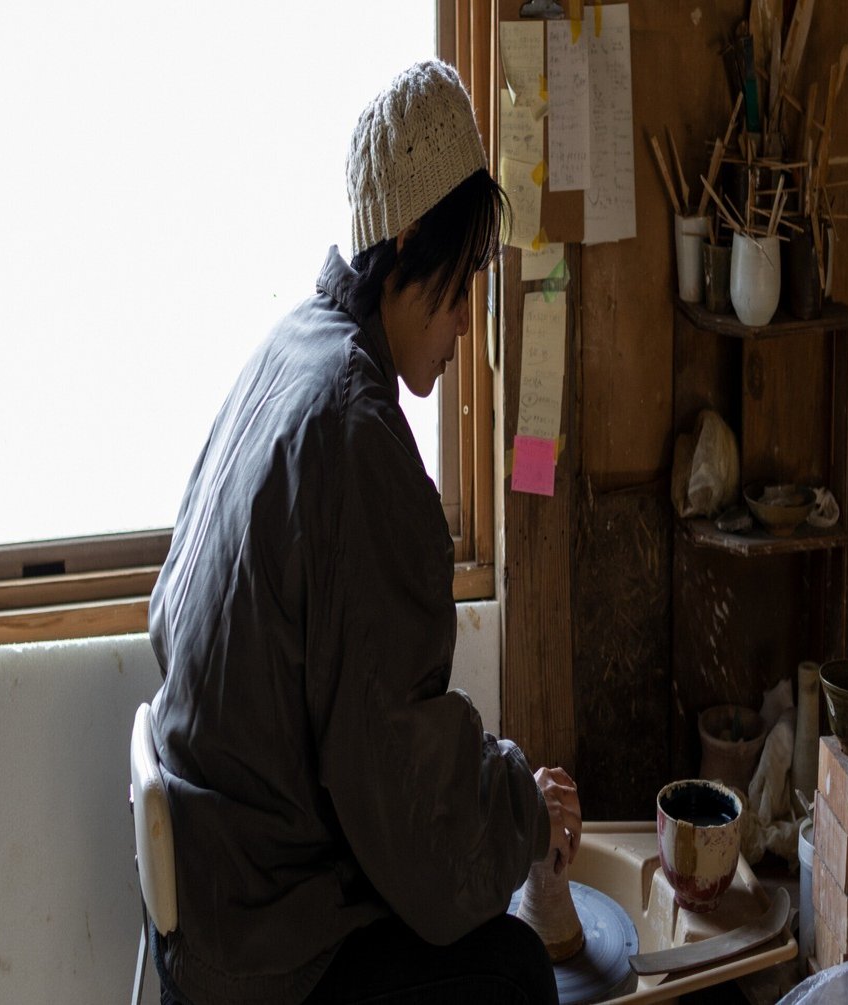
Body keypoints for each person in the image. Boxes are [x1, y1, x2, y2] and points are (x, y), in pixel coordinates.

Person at [147, 59, 582, 1005]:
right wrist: (518, 802)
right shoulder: (354, 433)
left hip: (206, 882)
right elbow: (401, 789)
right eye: (462, 282)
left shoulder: (289, 347)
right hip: (262, 940)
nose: (467, 321)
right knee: (511, 970)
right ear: (407, 242)